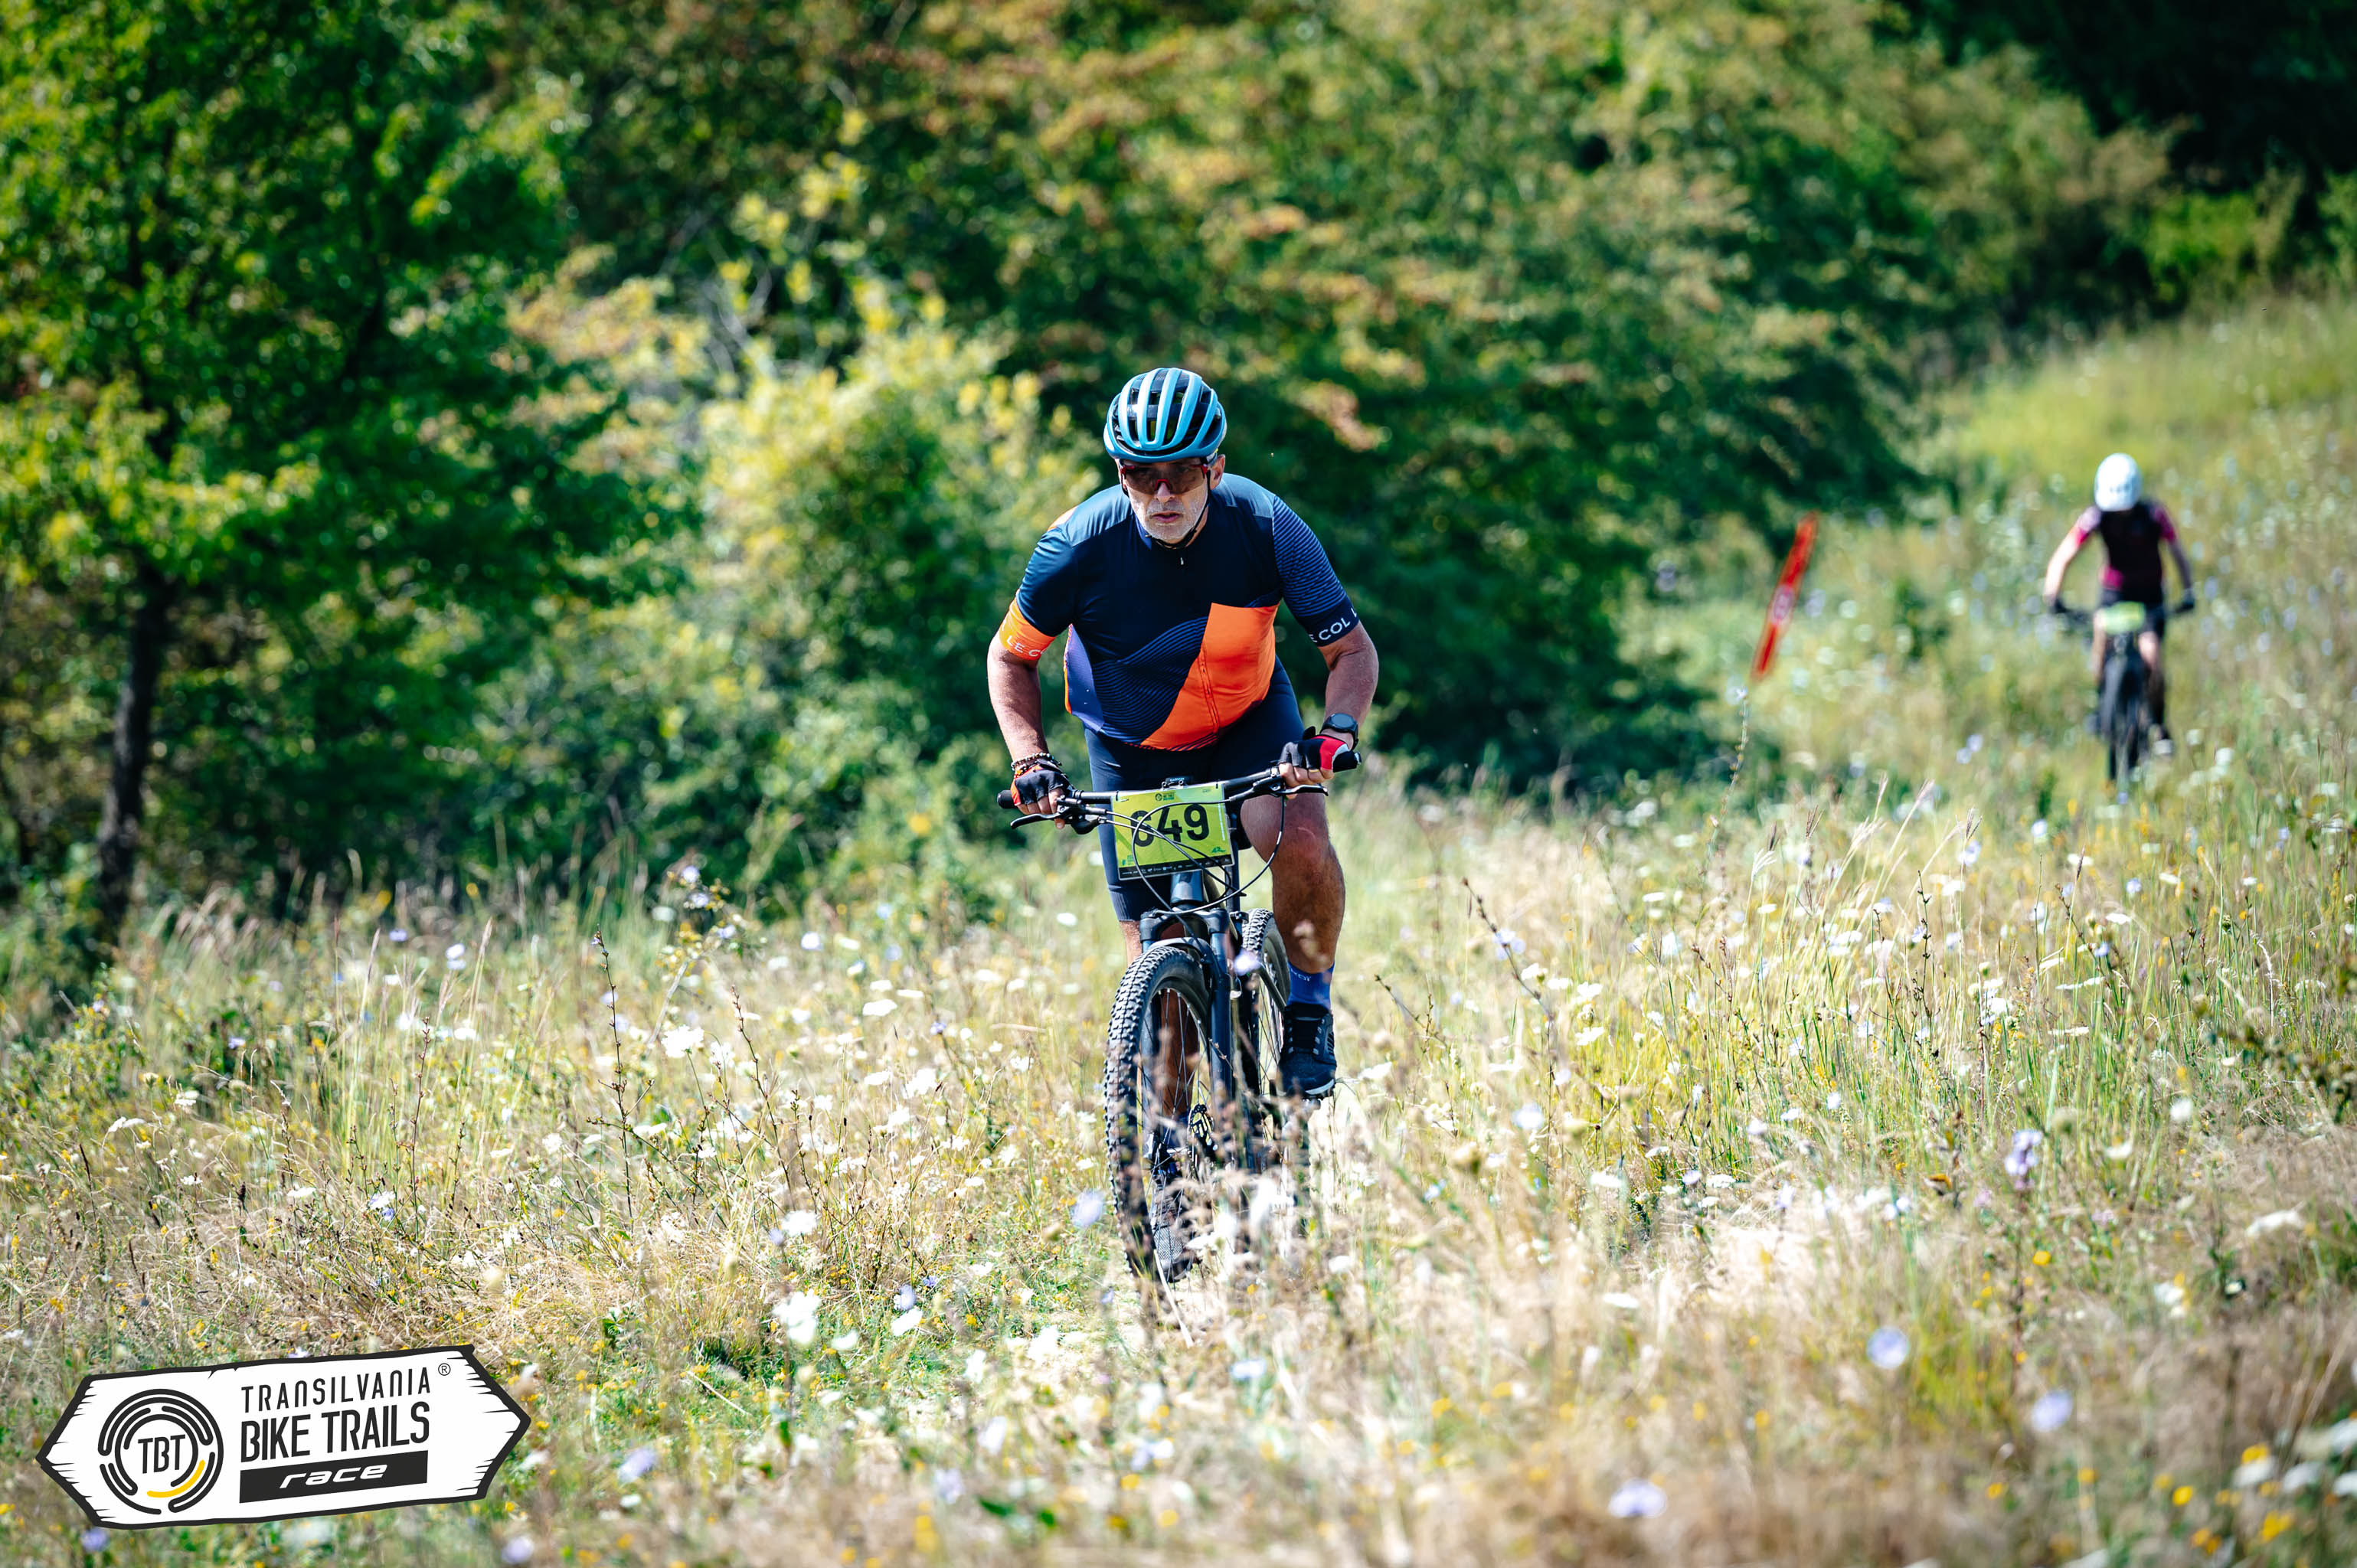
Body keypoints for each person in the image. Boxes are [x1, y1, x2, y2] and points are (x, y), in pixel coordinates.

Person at [984, 367, 1380, 1102]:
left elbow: (1351, 651)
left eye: (1182, 475)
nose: (1162, 494)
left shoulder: (1266, 526)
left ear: (1215, 469)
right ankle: (1167, 1154)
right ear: (1120, 474)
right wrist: (1030, 760)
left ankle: (1309, 1009)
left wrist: (1336, 733)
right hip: (1129, 749)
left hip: (1247, 723)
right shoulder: (1076, 545)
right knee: (1161, 994)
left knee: (1298, 838)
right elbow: (1010, 657)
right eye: (1143, 475)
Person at [2041, 452, 2194, 748]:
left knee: (2151, 653)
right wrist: (2052, 595)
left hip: (2150, 594)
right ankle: (2102, 705)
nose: (2120, 515)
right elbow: (2064, 555)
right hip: (2115, 593)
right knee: (2101, 638)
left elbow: (2177, 553)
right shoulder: (2096, 516)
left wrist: (2188, 592)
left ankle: (2159, 724)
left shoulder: (2154, 515)